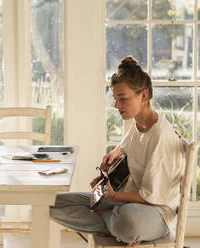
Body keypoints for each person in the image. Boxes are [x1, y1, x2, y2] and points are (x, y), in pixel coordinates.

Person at [50, 56, 184, 246]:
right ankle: (112, 223)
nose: (117, 106)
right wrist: (114, 155)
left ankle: (109, 219)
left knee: (128, 222)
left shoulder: (161, 135)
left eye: (122, 99)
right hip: (127, 201)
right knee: (49, 204)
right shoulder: (137, 123)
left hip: (156, 213)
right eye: (115, 99)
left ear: (144, 96)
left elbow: (152, 196)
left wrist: (113, 196)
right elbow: (128, 146)